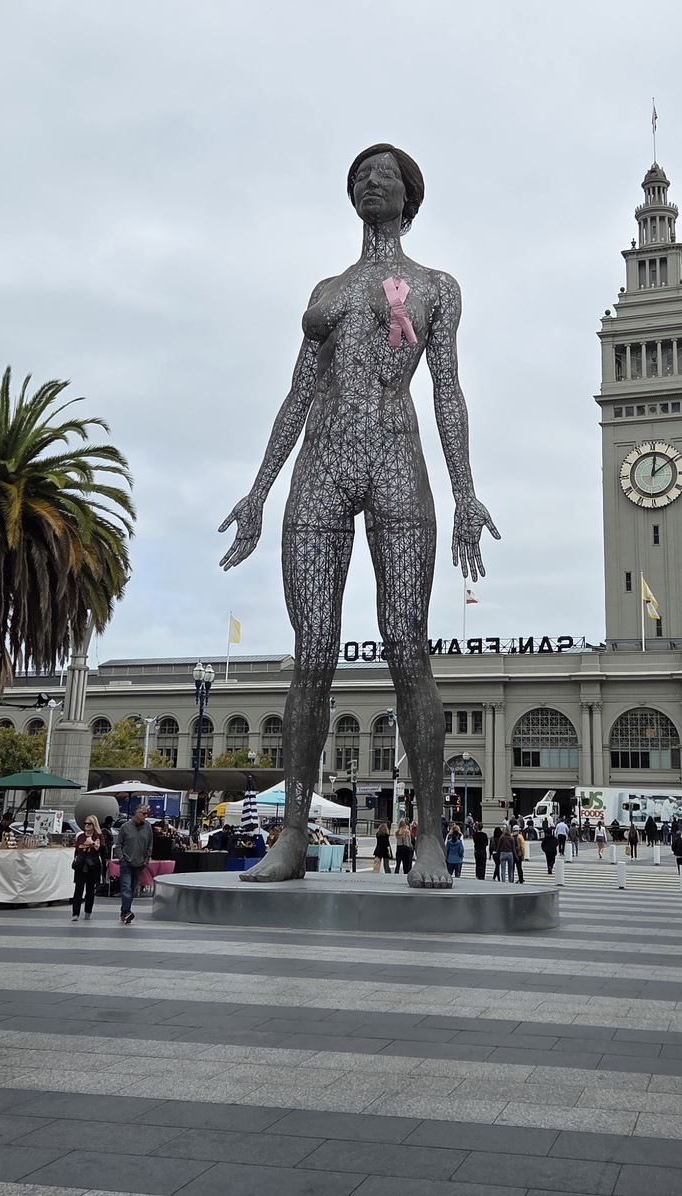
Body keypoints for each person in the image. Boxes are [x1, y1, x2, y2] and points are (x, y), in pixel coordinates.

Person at [216, 144, 497, 889]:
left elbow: (446, 391)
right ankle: (291, 835)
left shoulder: (436, 287)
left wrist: (465, 492)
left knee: (407, 646)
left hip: (397, 459)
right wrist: (259, 490)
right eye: (362, 175)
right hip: (321, 465)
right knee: (312, 652)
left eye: (387, 174)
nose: (373, 181)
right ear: (352, 196)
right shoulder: (328, 289)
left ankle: (429, 837)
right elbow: (299, 392)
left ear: (409, 197)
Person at [114, 804, 154, 924]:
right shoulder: (125, 827)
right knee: (126, 887)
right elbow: (118, 844)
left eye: (146, 814)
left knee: (131, 889)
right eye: (143, 813)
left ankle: (124, 913)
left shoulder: (148, 827)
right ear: (136, 812)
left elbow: (150, 845)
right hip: (126, 862)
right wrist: (121, 858)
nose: (145, 816)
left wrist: (146, 859)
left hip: (140, 863)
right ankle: (127, 912)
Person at [71, 817, 105, 920]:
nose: (86, 825)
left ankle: (88, 911)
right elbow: (77, 850)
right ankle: (75, 913)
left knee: (90, 889)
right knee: (78, 889)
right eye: (85, 823)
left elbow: (102, 849)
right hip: (81, 864)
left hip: (93, 864)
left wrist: (92, 843)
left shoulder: (98, 836)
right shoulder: (80, 836)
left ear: (94, 825)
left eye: (89, 824)